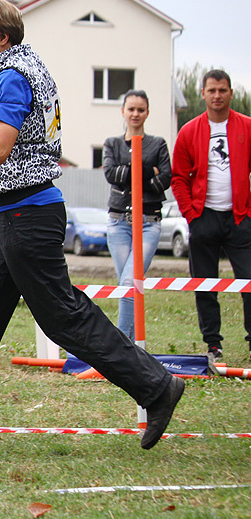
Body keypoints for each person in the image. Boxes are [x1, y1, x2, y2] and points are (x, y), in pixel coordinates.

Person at [0, 0, 183, 451]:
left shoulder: (11, 75)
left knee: (61, 315)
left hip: (27, 214)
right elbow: (20, 148)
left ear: (2, 38)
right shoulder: (29, 68)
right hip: (13, 210)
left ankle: (157, 386)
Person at [171, 69, 251, 361]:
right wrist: (192, 215)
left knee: (250, 282)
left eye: (222, 90)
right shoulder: (190, 131)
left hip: (241, 219)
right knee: (205, 285)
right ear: (203, 94)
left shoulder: (247, 127)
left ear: (231, 93)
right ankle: (213, 345)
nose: (217, 95)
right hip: (203, 218)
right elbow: (179, 177)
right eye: (212, 90)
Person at [102, 89, 172, 338]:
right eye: (131, 109)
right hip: (118, 222)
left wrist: (132, 173)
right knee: (127, 285)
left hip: (149, 223)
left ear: (147, 113)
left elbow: (164, 180)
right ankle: (131, 347)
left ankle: (122, 346)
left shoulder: (158, 144)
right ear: (123, 111)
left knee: (130, 283)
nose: (135, 113)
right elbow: (112, 175)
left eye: (140, 109)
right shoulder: (112, 144)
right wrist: (146, 170)